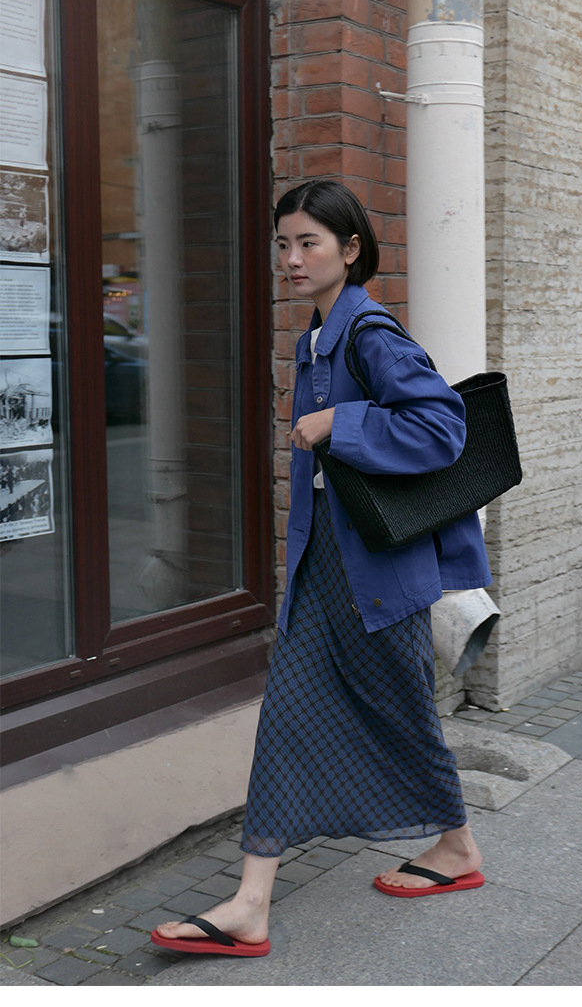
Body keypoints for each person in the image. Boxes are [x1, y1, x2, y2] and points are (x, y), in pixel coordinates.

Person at [151, 180, 492, 958]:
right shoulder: (318, 336)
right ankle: (251, 904)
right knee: (287, 716)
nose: (292, 258)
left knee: (403, 711)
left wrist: (342, 420)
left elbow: (443, 427)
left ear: (351, 248)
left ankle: (457, 848)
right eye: (284, 243)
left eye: (308, 242)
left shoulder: (369, 334)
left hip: (378, 573)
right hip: (327, 569)